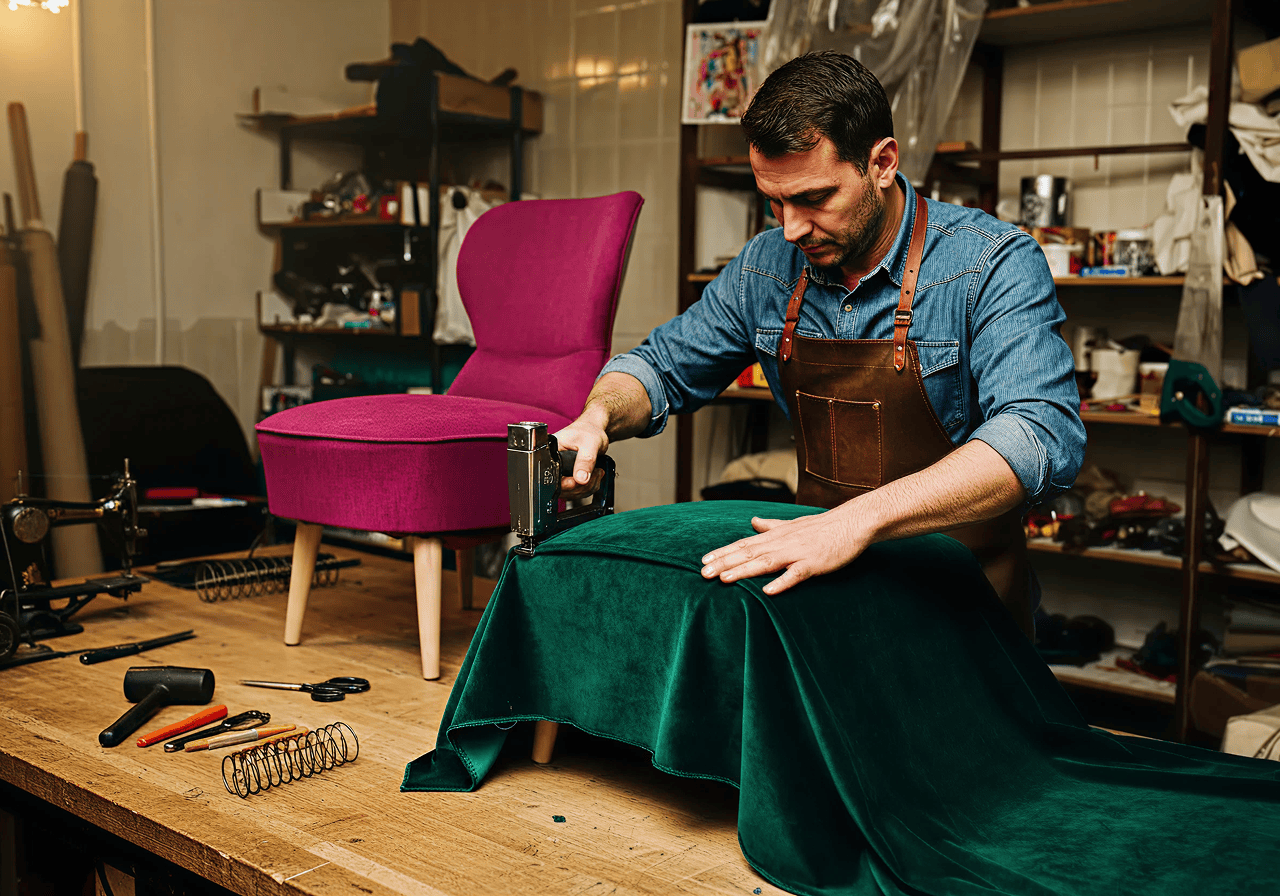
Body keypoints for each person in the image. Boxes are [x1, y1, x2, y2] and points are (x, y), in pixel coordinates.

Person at [555, 51, 1085, 637]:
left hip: (965, 604)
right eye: (774, 202)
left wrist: (857, 521)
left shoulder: (990, 262)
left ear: (881, 164)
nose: (790, 228)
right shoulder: (766, 268)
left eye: (813, 199)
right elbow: (659, 367)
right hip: (828, 594)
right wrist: (598, 415)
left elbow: (1040, 432)